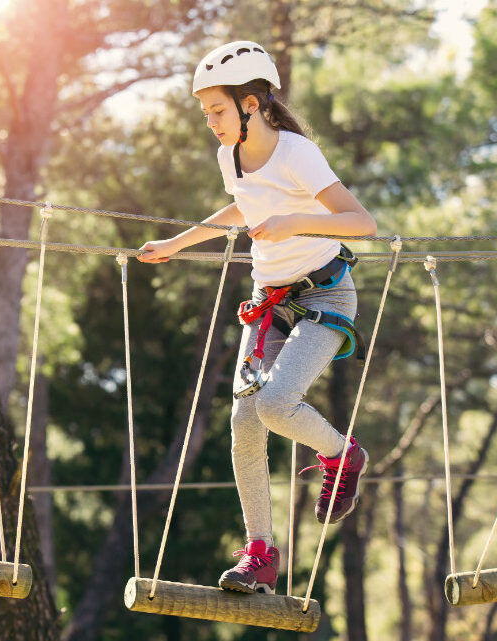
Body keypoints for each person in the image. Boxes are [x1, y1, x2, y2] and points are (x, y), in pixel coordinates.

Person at [137, 41, 377, 595]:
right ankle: (261, 553)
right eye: (206, 115)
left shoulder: (297, 154)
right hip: (269, 300)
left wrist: (295, 221)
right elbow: (244, 204)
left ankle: (343, 455)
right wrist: (179, 243)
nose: (210, 124)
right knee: (245, 422)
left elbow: (360, 221)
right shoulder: (231, 155)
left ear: (251, 105)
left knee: (274, 404)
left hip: (324, 298)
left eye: (217, 111)